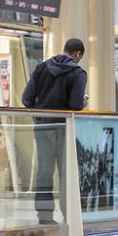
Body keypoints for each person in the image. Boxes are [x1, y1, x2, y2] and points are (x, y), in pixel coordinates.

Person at [21, 37, 86, 224]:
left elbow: (26, 99)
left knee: (44, 171)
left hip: (42, 127)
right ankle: (70, 214)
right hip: (64, 128)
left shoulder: (41, 68)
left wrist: (40, 113)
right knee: (66, 173)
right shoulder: (78, 73)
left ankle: (45, 216)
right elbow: (75, 104)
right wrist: (83, 102)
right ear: (78, 54)